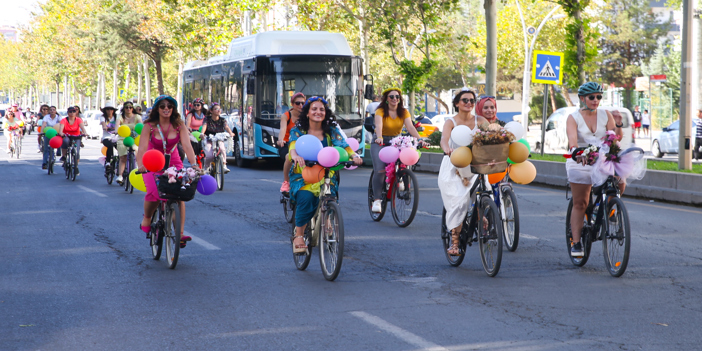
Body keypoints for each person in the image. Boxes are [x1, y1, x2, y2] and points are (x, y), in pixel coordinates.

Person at [288, 97, 363, 253]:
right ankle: (299, 234)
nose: (318, 112)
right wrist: (295, 156)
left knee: (330, 195)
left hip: (326, 172)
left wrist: (354, 156)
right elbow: (293, 145)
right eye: (314, 109)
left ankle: (328, 217)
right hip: (304, 173)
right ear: (307, 113)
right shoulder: (299, 130)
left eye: (322, 109)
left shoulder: (331, 129)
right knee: (307, 198)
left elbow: (343, 145)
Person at [566, 82, 624, 257]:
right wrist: (578, 152)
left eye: (599, 97)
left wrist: (618, 125)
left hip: (603, 159)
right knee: (581, 203)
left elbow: (614, 138)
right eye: (592, 97)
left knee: (621, 181)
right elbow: (572, 141)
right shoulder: (573, 117)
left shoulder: (606, 115)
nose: (596, 100)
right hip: (581, 161)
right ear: (582, 98)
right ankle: (576, 243)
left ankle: (609, 208)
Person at [136, 95, 200, 248]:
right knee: (156, 193)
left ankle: (180, 233)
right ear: (157, 109)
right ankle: (147, 217)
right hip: (152, 162)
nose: (166, 109)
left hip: (174, 161)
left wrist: (194, 164)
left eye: (169, 106)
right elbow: (142, 148)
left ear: (173, 109)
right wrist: (141, 165)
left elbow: (187, 145)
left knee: (179, 194)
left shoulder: (179, 125)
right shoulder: (149, 125)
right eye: (162, 106)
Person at [439, 88, 489, 255]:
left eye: (472, 101)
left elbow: (491, 139)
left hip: (475, 164)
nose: (469, 103)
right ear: (456, 103)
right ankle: (454, 242)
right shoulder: (450, 122)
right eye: (465, 100)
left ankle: (481, 213)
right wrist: (447, 149)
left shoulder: (481, 121)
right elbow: (444, 139)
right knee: (459, 202)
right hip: (454, 164)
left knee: (485, 191)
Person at [370, 88, 426, 213]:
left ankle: (401, 179)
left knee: (405, 161)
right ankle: (377, 200)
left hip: (396, 140)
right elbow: (378, 126)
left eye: (397, 97)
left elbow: (410, 127)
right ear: (386, 99)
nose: (395, 99)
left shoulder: (404, 112)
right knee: (379, 170)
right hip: (380, 141)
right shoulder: (380, 111)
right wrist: (379, 137)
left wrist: (420, 140)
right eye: (391, 97)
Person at [276, 92, 306, 192]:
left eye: (303, 103)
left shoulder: (307, 116)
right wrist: (280, 140)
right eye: (298, 103)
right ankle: (286, 182)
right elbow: (283, 129)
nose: (300, 105)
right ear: (292, 104)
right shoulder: (286, 116)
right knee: (288, 156)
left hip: (301, 144)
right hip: (287, 143)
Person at [201, 103, 235, 173]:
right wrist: (202, 134)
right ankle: (206, 167)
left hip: (219, 138)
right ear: (211, 111)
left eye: (220, 109)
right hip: (209, 138)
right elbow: (204, 126)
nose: (218, 111)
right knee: (209, 154)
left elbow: (226, 127)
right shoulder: (207, 119)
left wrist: (231, 133)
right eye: (216, 109)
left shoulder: (222, 120)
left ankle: (224, 165)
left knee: (222, 149)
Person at [115, 101, 143, 184]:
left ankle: (138, 169)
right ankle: (120, 175)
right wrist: (116, 130)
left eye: (130, 107)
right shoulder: (120, 116)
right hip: (122, 138)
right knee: (123, 157)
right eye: (126, 107)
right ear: (124, 108)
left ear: (132, 108)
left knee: (137, 150)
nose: (128, 109)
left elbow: (141, 125)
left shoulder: (137, 116)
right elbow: (117, 125)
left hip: (134, 138)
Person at [57, 106, 88, 175]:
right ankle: (64, 156)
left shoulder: (79, 119)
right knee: (65, 141)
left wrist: (85, 133)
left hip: (76, 136)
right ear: (68, 113)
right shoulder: (64, 120)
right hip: (67, 135)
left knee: (77, 152)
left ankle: (76, 167)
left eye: (74, 111)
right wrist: (61, 133)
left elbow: (82, 127)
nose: (72, 113)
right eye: (70, 112)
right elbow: (61, 129)